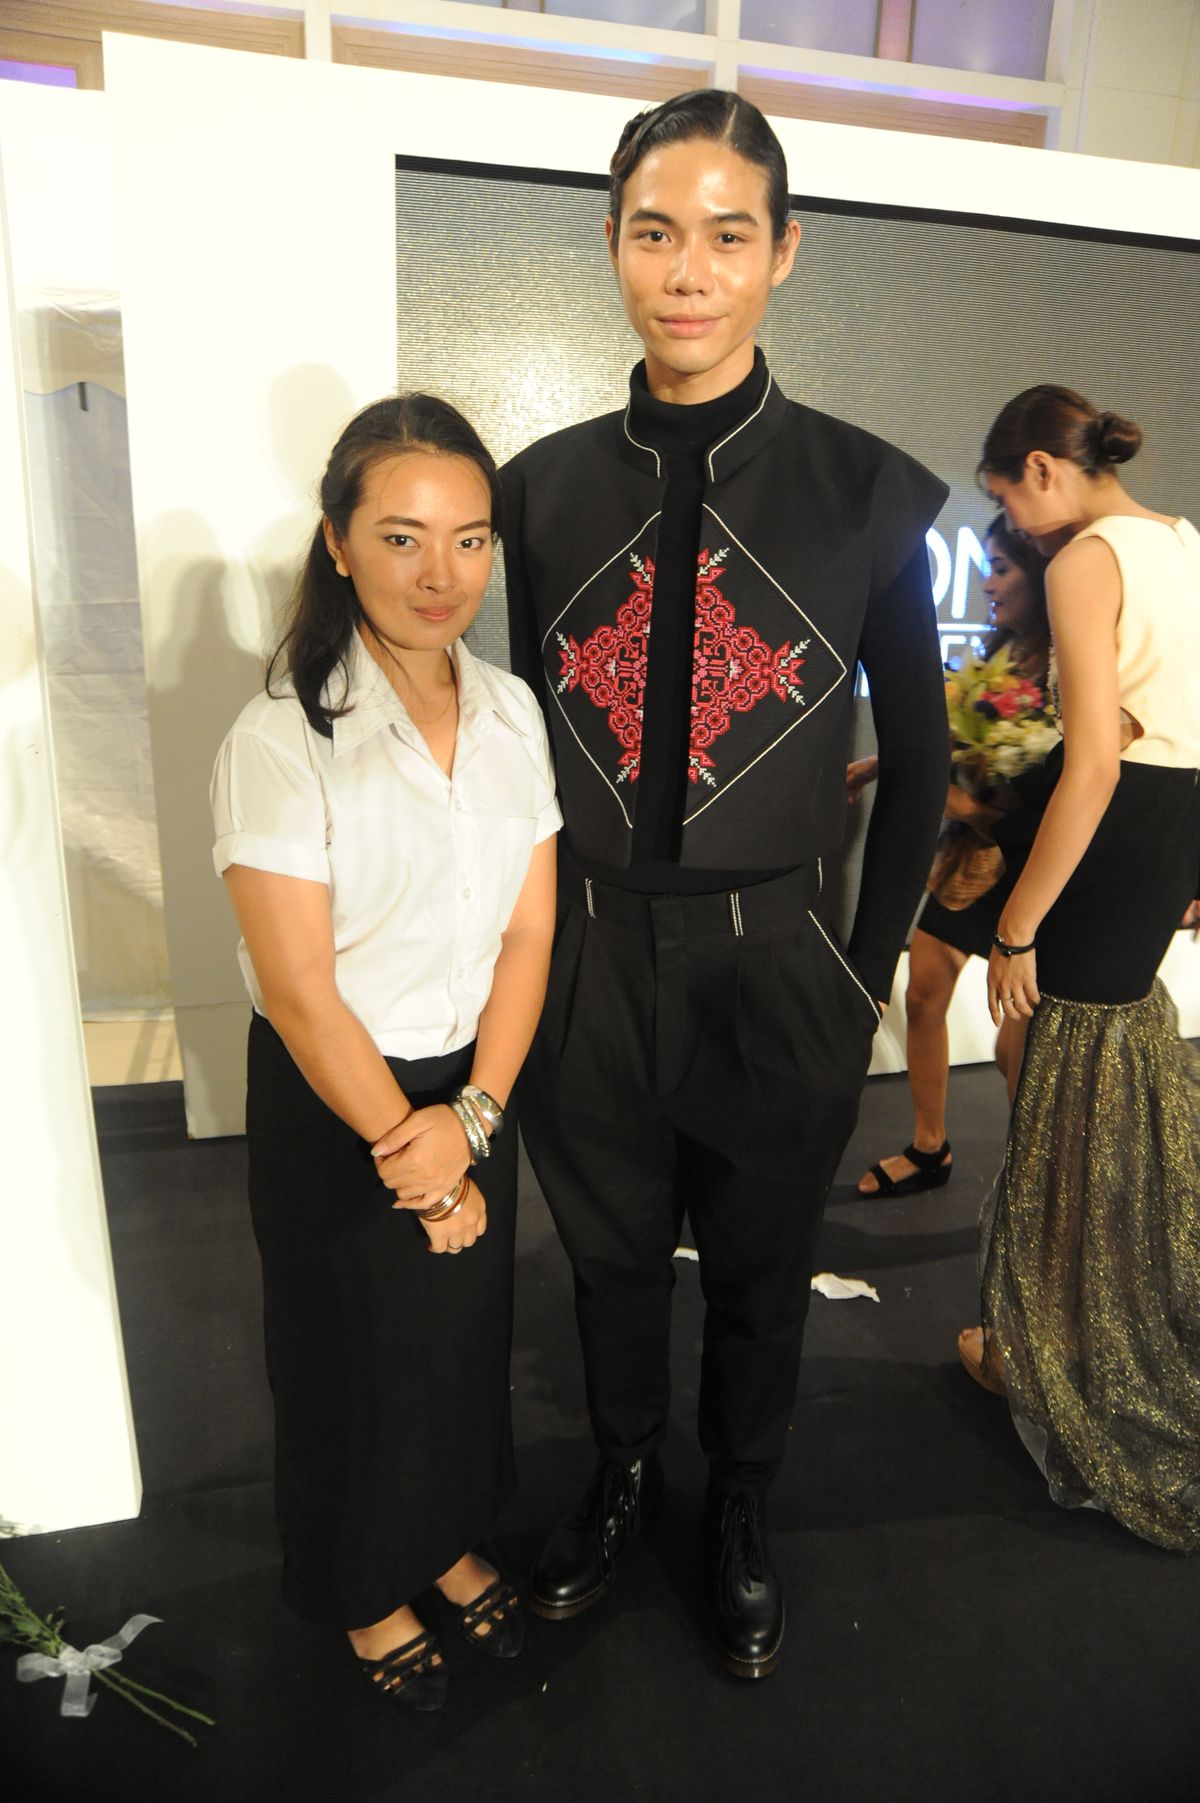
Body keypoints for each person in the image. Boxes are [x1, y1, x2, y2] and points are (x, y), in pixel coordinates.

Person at [501, 89, 949, 1677]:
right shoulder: (537, 492)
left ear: (784, 252)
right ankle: (624, 1467)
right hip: (591, 959)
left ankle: (741, 1495)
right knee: (609, 1255)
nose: (687, 271)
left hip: (779, 964)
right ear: (613, 244)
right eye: (654, 233)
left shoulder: (866, 491)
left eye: (726, 236)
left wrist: (860, 973)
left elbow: (921, 762)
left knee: (762, 1266)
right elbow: (519, 748)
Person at [210, 394, 560, 1709]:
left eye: (469, 540)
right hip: (339, 1098)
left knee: (460, 1348)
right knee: (348, 1360)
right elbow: (302, 992)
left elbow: (529, 931)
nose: (440, 574)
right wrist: (411, 1146)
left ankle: (450, 1536)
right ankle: (363, 1583)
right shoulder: (281, 734)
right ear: (338, 542)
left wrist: (474, 1116)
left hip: (474, 1084)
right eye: (402, 538)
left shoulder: (514, 711)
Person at [959, 383, 1200, 1551]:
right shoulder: (1183, 542)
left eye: (1008, 498)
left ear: (1045, 471)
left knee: (1070, 1099)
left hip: (1111, 840)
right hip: (1169, 835)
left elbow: (1095, 764)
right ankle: (1067, 1335)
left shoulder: (1086, 560)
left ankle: (1064, 1357)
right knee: (1110, 1091)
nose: (1016, 523)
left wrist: (1015, 927)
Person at [856, 515, 1054, 1197]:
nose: (987, 585)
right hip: (976, 859)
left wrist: (967, 805)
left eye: (1000, 569)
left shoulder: (1070, 664)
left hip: (1037, 867)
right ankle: (929, 1146)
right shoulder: (994, 657)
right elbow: (952, 740)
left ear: (1038, 576)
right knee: (923, 990)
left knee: (1015, 1039)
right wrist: (875, 767)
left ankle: (1033, 1182)